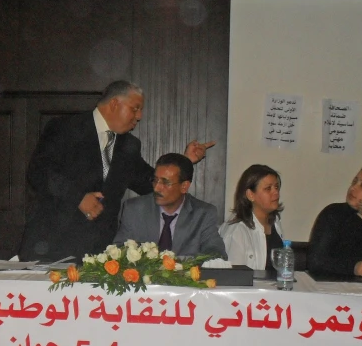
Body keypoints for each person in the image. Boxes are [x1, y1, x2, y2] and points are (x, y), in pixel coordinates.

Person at [18, 80, 214, 262]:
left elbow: (149, 183)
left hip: (98, 253)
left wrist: (185, 162)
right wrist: (78, 197)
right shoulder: (66, 128)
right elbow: (39, 172)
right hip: (52, 244)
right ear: (114, 104)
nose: (139, 116)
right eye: (135, 109)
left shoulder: (129, 145)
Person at [113, 153, 226, 256]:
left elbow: (216, 252)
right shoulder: (134, 209)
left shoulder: (203, 213)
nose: (157, 188)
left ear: (184, 187)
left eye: (165, 182)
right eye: (155, 180)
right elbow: (119, 249)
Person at [219, 164, 283, 270]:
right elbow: (235, 278)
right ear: (250, 195)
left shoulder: (275, 220)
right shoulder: (237, 230)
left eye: (276, 187)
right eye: (268, 189)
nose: (276, 192)